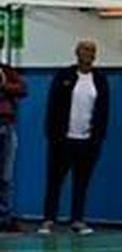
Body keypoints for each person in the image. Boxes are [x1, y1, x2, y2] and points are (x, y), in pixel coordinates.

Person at [40, 40, 110, 234]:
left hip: (88, 140)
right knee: (55, 180)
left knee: (82, 182)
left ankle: (77, 219)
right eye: (85, 50)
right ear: (77, 53)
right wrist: (53, 135)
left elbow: (104, 110)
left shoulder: (100, 80)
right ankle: (49, 219)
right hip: (63, 139)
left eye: (92, 51)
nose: (88, 54)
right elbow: (53, 106)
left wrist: (98, 137)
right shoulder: (64, 76)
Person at [0, 59, 24, 231]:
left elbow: (22, 89)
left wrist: (3, 85)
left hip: (5, 125)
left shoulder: (6, 70)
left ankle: (4, 217)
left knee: (6, 176)